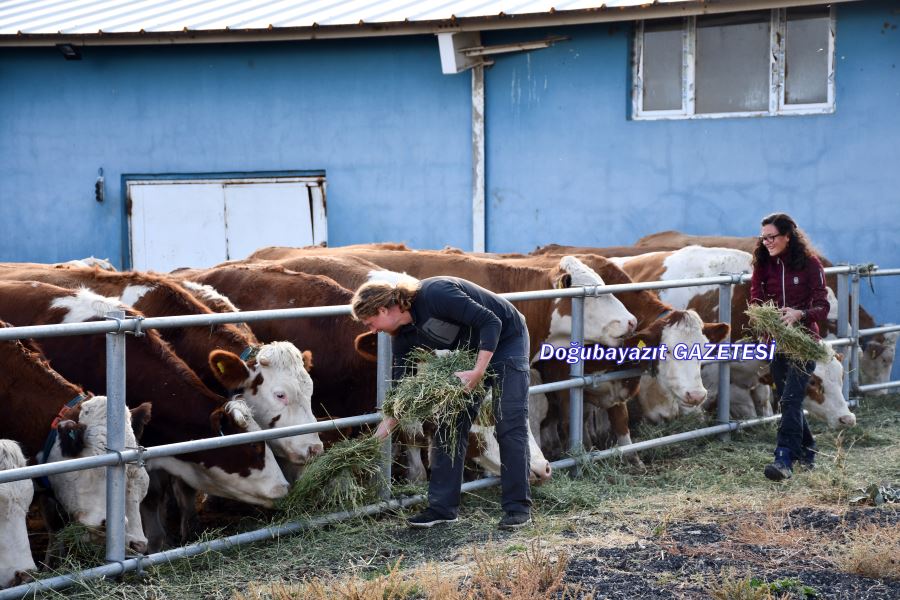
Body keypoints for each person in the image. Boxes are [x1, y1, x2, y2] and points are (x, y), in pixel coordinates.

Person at [351, 276, 532, 529]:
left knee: (508, 423)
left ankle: (518, 509)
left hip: (507, 339)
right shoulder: (403, 337)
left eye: (371, 323)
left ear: (383, 310)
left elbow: (491, 321)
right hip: (470, 352)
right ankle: (442, 508)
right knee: (449, 423)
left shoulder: (436, 294)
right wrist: (387, 425)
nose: (373, 330)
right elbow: (402, 387)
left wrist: (478, 371)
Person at [750, 212, 830, 481]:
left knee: (790, 399)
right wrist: (762, 320)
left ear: (787, 236)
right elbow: (756, 299)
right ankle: (808, 450)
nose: (767, 243)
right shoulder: (762, 264)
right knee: (788, 400)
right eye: (763, 238)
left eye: (771, 237)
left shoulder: (810, 264)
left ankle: (783, 458)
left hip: (804, 343)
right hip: (775, 342)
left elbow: (823, 305)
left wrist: (800, 314)